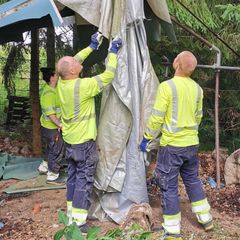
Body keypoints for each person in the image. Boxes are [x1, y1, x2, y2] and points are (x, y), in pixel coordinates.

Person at [140, 51, 213, 240]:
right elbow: (198, 116)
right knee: (192, 180)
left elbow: (157, 117)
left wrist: (147, 137)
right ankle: (206, 219)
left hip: (172, 145)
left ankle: (172, 230)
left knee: (169, 185)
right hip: (191, 144)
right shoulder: (197, 89)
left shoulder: (167, 87)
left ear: (177, 64)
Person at [56, 32, 122, 233]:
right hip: (84, 142)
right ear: (73, 71)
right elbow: (109, 75)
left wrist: (92, 46)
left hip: (70, 141)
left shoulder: (62, 82)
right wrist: (113, 53)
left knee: (73, 177)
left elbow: (74, 60)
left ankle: (71, 213)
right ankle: (79, 222)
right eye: (75, 63)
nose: (78, 61)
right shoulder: (83, 86)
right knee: (84, 180)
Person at [38, 67, 65, 185]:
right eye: (56, 75)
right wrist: (60, 124)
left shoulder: (55, 88)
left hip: (50, 126)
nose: (58, 76)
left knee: (50, 147)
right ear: (52, 78)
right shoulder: (48, 94)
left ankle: (44, 167)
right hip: (51, 127)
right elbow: (51, 114)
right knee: (57, 148)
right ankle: (53, 175)